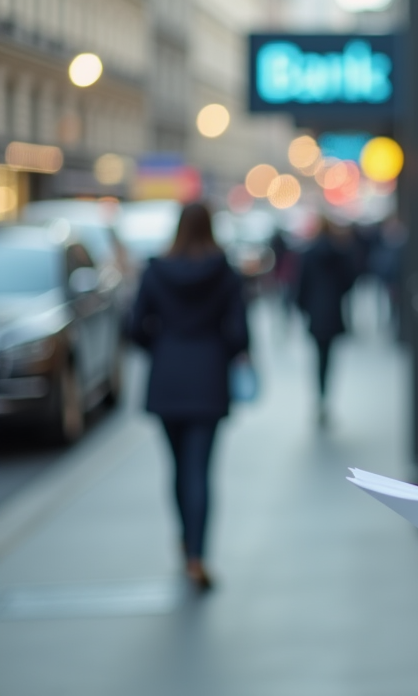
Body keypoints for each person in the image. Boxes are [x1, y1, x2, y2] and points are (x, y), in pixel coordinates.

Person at [128, 202, 248, 592]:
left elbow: (134, 327)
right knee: (200, 470)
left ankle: (185, 543)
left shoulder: (156, 270)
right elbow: (239, 334)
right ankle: (197, 556)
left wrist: (163, 347)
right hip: (208, 377)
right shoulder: (224, 271)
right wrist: (219, 353)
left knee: (178, 468)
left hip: (167, 376)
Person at [295, 216, 356, 425]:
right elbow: (349, 280)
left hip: (315, 311)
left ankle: (320, 396)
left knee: (318, 357)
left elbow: (301, 284)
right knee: (328, 357)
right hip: (333, 310)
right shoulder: (339, 253)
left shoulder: (308, 254)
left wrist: (303, 307)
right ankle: (324, 396)